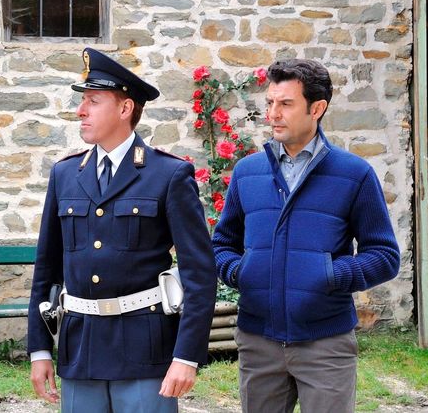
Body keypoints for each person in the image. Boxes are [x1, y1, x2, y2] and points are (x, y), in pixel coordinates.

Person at [27, 48, 217, 412]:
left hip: (145, 350)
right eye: (83, 101)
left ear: (125, 108)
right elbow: (46, 268)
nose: (80, 111)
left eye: (93, 101)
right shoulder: (65, 175)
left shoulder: (168, 174)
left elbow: (200, 272)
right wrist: (39, 348)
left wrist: (187, 356)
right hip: (80, 349)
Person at [211, 59, 400, 413]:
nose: (273, 114)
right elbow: (222, 245)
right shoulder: (247, 172)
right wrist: (241, 272)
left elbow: (385, 256)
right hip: (258, 340)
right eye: (270, 103)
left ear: (317, 108)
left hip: (325, 342)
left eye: (285, 104)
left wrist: (329, 275)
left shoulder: (354, 174)